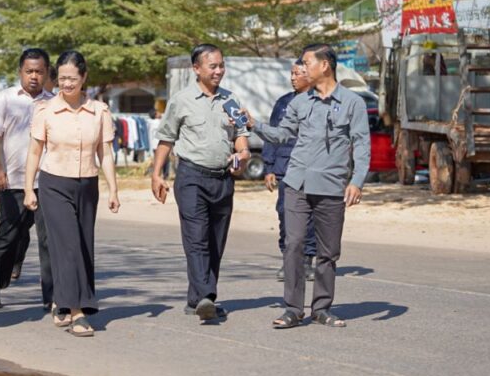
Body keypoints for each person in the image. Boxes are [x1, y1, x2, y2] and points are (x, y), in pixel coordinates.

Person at [246, 44, 370, 329]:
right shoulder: (299, 102)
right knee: (294, 244)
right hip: (296, 184)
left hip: (331, 187)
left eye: (306, 63)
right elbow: (281, 134)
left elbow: (362, 145)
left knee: (328, 251)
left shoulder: (353, 103)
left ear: (324, 65)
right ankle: (292, 309)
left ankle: (322, 309)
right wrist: (254, 124)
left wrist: (357, 181)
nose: (302, 68)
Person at [23, 50, 120, 338]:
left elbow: (105, 152)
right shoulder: (45, 111)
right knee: (68, 245)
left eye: (72, 79)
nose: (66, 84)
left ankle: (60, 300)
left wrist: (113, 189)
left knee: (83, 245)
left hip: (87, 184)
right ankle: (78, 311)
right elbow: (34, 152)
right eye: (62, 78)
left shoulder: (99, 111)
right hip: (54, 184)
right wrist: (28, 188)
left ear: (84, 77)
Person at [151, 44, 250, 322]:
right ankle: (207, 296)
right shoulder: (181, 100)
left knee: (215, 242)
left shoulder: (231, 99)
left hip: (223, 179)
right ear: (196, 68)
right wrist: (157, 174)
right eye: (212, 66)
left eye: (221, 65)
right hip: (191, 178)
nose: (219, 71)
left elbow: (241, 135)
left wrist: (243, 153)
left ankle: (197, 300)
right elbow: (166, 139)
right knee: (197, 239)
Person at [0, 48, 55, 311]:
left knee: (48, 240)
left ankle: (51, 295)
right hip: (13, 180)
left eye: (39, 71)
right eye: (29, 71)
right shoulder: (5, 99)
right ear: (20, 72)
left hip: (46, 182)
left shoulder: (54, 103)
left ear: (46, 73)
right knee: (9, 236)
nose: (34, 76)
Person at [262, 61, 317, 282]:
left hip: (312, 168)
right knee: (285, 214)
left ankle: (307, 260)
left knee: (310, 216)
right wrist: (269, 167)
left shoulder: (320, 100)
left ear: (309, 74)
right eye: (291, 73)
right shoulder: (283, 103)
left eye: (298, 73)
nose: (293, 78)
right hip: (285, 168)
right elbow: (272, 134)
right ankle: (288, 260)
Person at [146, 108, 170, 179]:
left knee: (157, 160)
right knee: (165, 160)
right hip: (161, 144)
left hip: (154, 145)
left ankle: (158, 174)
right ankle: (165, 175)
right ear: (155, 115)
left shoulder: (150, 123)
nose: (160, 113)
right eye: (158, 112)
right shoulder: (159, 122)